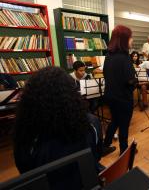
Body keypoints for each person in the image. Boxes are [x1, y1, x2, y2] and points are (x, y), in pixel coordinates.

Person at [13, 67, 106, 190]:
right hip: (88, 183)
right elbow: (97, 155)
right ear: (72, 93)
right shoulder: (91, 123)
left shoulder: (26, 135)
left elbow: (25, 170)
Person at [103, 25, 136, 154]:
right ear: (124, 39)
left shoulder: (108, 56)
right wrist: (135, 82)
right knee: (124, 125)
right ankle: (124, 152)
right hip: (123, 98)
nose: (132, 40)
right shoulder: (125, 57)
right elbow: (130, 80)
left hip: (110, 96)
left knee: (115, 120)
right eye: (130, 37)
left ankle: (105, 145)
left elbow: (106, 74)